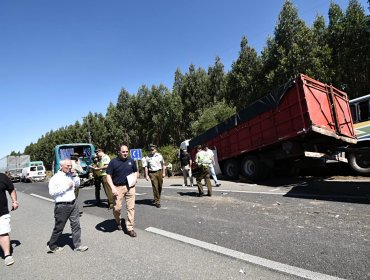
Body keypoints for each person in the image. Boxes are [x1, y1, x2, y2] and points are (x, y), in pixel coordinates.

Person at [47, 159, 88, 253]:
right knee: (59, 227)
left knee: (76, 225)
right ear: (61, 166)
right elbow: (52, 192)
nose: (69, 168)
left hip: (73, 203)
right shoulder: (55, 178)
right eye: (67, 166)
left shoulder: (70, 175)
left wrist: (75, 176)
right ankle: (51, 245)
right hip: (62, 206)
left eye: (70, 166)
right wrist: (66, 187)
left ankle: (77, 245)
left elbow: (77, 184)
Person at [106, 144, 138, 237]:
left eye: (127, 152)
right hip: (118, 188)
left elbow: (135, 171)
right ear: (119, 152)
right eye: (123, 152)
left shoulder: (131, 161)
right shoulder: (113, 162)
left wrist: (135, 179)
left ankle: (130, 228)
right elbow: (108, 176)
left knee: (131, 208)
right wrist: (112, 188)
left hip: (130, 187)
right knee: (117, 208)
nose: (125, 153)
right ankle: (118, 221)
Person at [0, 173, 19, 266]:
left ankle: (7, 255)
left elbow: (11, 189)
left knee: (3, 233)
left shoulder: (2, 177)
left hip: (2, 212)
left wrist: (15, 201)